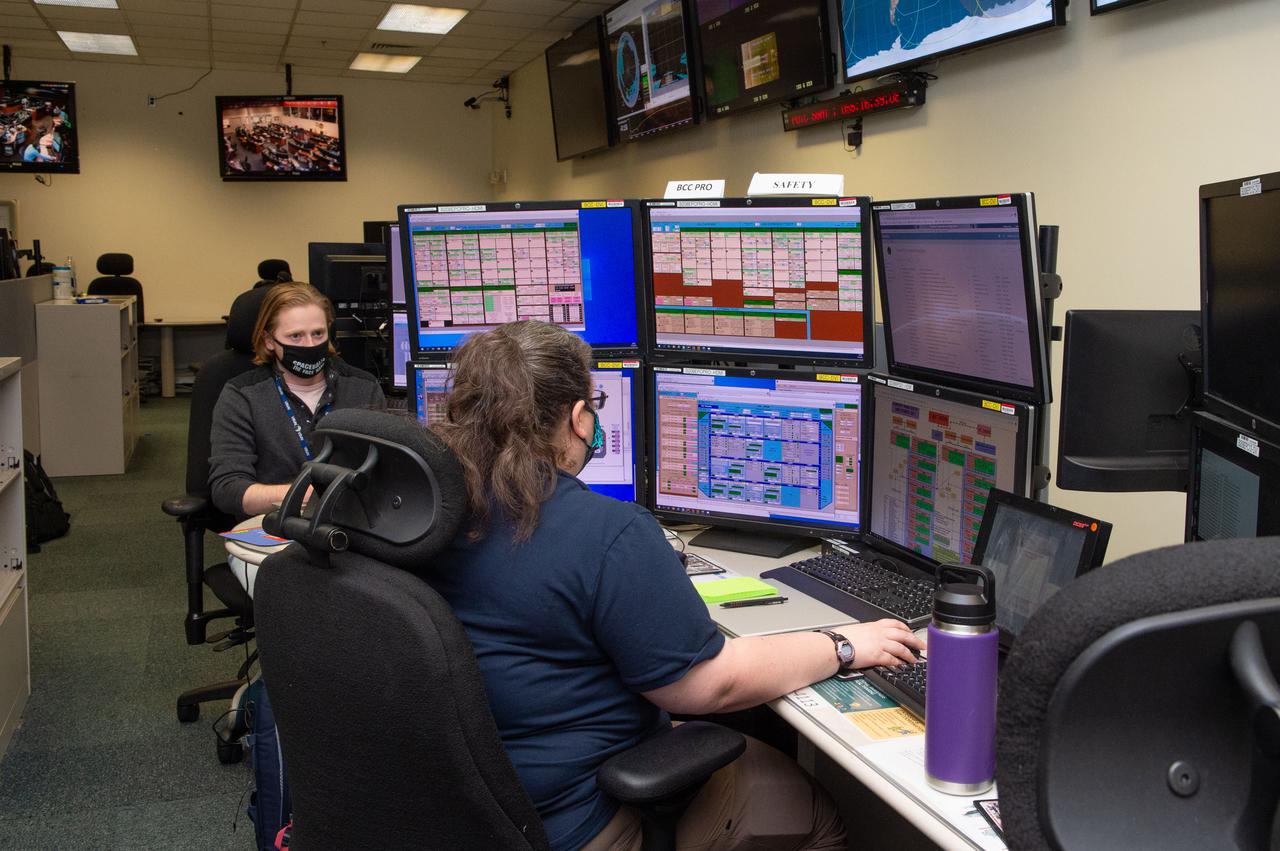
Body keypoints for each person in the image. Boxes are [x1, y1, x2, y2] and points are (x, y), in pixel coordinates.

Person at [427, 320, 923, 851]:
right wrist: (843, 645)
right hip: (578, 818)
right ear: (576, 418)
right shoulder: (607, 533)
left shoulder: (427, 518)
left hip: (464, 808)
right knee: (813, 809)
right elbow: (710, 686)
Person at [208, 282, 385, 520]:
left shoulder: (363, 387)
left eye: (318, 334)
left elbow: (386, 472)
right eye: (296, 336)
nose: (310, 345)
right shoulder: (242, 395)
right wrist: (312, 494)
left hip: (354, 525)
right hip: (277, 525)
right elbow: (228, 490)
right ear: (269, 340)